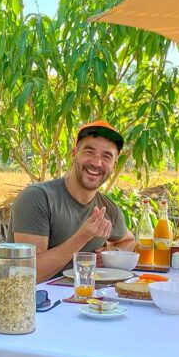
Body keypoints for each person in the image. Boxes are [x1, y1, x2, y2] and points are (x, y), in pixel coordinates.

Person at [11, 121, 136, 282]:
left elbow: (129, 240)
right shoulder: (37, 198)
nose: (97, 163)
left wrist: (111, 254)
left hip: (87, 301)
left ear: (114, 165)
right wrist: (84, 236)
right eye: (89, 152)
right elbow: (27, 274)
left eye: (106, 156)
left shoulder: (108, 209)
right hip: (37, 304)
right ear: (74, 154)